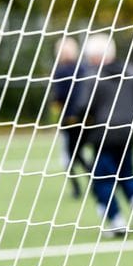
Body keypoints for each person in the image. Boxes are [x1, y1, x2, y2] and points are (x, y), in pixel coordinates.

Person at [76, 33, 133, 237]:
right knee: (126, 170)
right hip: (129, 130)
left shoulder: (93, 76)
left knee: (102, 178)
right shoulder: (130, 71)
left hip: (103, 133)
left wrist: (83, 126)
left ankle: (117, 221)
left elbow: (84, 106)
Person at [52, 37, 90, 199]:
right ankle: (92, 180)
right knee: (78, 153)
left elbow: (58, 97)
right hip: (86, 117)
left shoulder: (60, 71)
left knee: (70, 155)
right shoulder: (84, 68)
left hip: (70, 118)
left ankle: (78, 187)